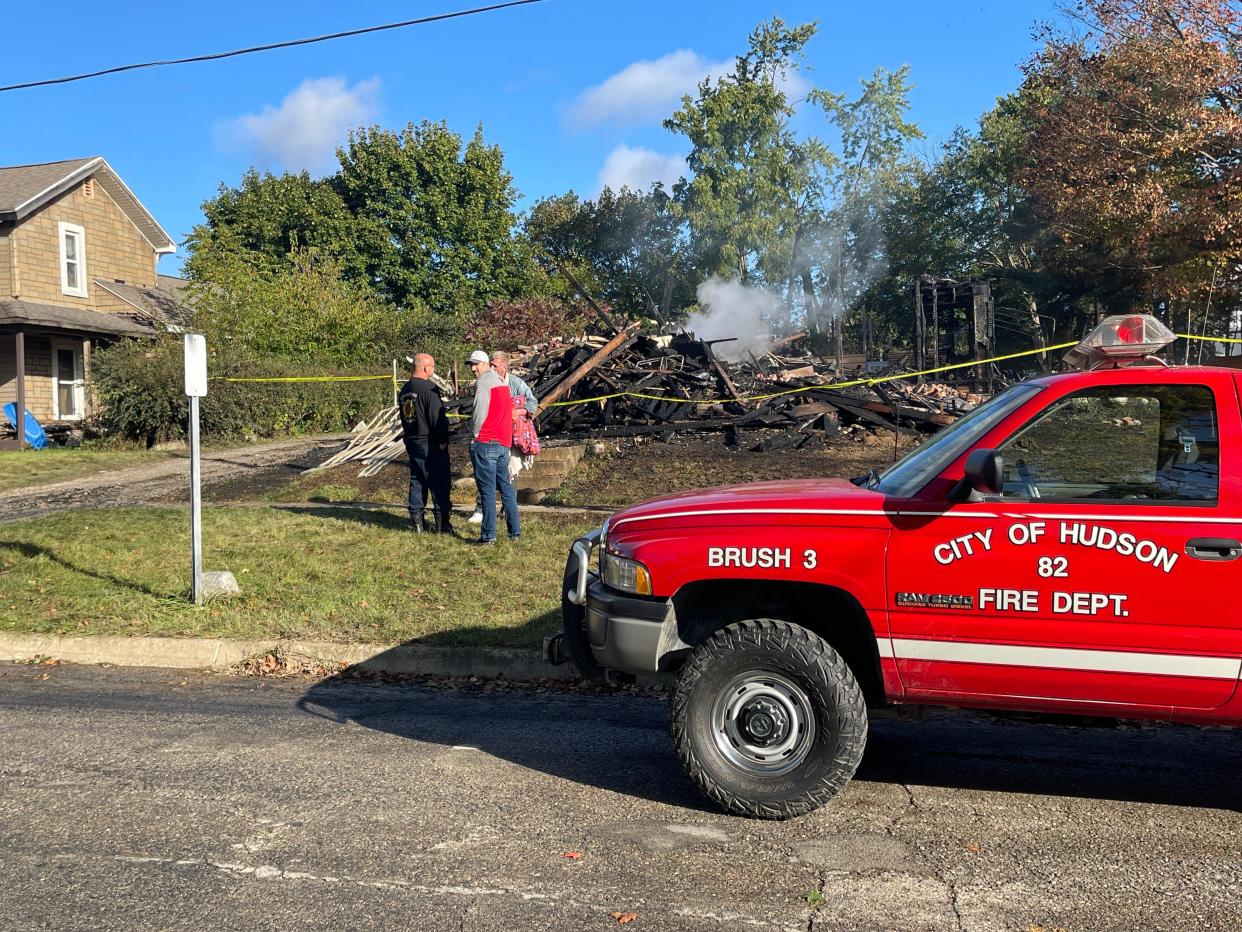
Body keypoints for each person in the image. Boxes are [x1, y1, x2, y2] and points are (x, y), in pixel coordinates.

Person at [468, 350, 538, 525]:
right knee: (485, 476)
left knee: (509, 475)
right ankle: (481, 508)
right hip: (493, 434)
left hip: (510, 436)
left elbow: (532, 402)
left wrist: (518, 411)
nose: (491, 368)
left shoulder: (516, 383)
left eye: (495, 365)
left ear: (505, 366)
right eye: (490, 364)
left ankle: (507, 512)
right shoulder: (488, 381)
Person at [469, 349, 521, 544]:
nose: (473, 368)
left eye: (476, 364)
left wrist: (475, 436)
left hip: (486, 441)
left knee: (487, 490)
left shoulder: (483, 383)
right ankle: (514, 531)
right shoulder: (501, 383)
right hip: (502, 443)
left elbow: (479, 413)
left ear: (485, 364)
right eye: (471, 364)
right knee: (506, 488)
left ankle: (488, 535)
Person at [397, 353, 451, 533]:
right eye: (433, 367)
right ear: (426, 367)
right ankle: (442, 524)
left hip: (412, 439)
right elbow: (437, 418)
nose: (434, 370)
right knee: (439, 481)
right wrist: (443, 440)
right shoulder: (429, 389)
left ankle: (417, 521)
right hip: (430, 441)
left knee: (417, 479)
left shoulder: (404, 390)